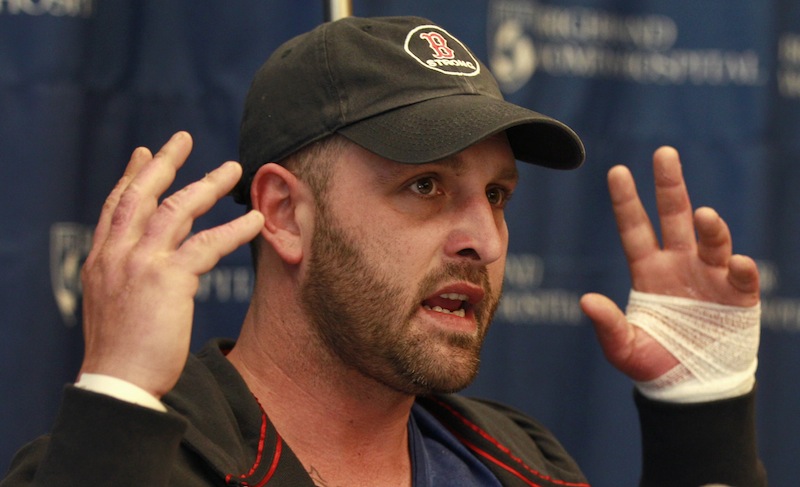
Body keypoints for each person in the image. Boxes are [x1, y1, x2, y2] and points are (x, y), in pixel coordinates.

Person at [2, 16, 766, 487]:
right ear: (284, 212)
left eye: (497, 194)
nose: (484, 239)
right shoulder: (131, 460)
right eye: (427, 186)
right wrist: (118, 398)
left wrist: (701, 421)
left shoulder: (519, 458)